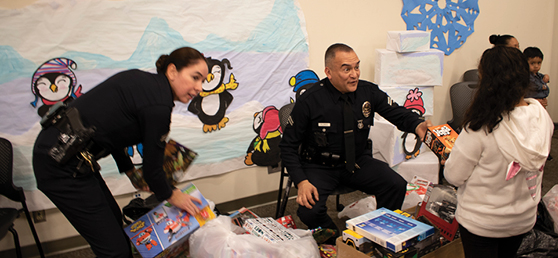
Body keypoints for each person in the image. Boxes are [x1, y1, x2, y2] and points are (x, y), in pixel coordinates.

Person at [32, 47, 208, 258]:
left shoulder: (145, 84)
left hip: (71, 157)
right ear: (172, 71)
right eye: (195, 77)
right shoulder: (158, 105)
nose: (199, 88)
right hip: (60, 163)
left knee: (115, 223)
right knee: (115, 250)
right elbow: (153, 170)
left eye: (203, 81)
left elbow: (111, 128)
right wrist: (172, 195)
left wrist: (128, 169)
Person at [279, 43, 431, 241]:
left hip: (357, 161)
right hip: (319, 166)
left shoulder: (367, 92)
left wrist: (417, 125)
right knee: (309, 211)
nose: (354, 74)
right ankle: (337, 240)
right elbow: (287, 146)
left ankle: (379, 234)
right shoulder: (310, 100)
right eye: (346, 69)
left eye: (356, 67)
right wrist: (302, 181)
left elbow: (397, 113)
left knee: (395, 184)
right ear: (329, 72)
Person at [443, 46, 554, 258]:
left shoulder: (481, 126)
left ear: (488, 82)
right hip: (522, 220)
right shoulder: (541, 116)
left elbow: (454, 176)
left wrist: (448, 160)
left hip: (482, 223)